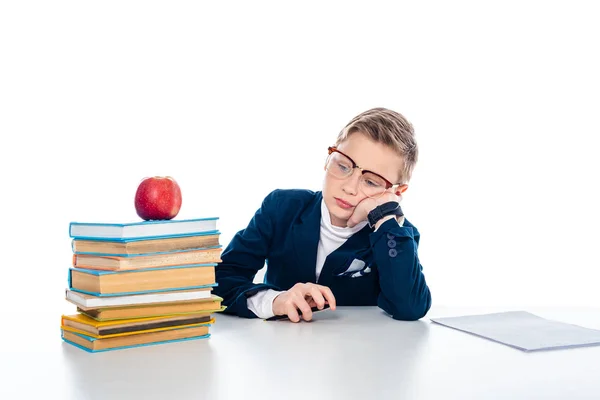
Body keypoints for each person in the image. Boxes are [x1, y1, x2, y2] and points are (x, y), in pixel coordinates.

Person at [214, 107, 432, 322]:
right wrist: (275, 300)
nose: (349, 187)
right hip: (281, 347)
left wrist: (385, 217)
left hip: (359, 351)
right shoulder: (281, 208)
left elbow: (410, 307)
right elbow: (219, 280)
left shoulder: (396, 235)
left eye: (371, 181)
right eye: (343, 166)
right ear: (330, 157)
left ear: (396, 193)